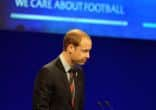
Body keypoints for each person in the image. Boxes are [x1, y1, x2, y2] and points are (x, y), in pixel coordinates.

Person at [33, 29, 92, 110]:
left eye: (89, 51)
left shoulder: (79, 72)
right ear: (70, 48)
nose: (88, 56)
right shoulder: (48, 72)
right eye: (85, 51)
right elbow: (40, 108)